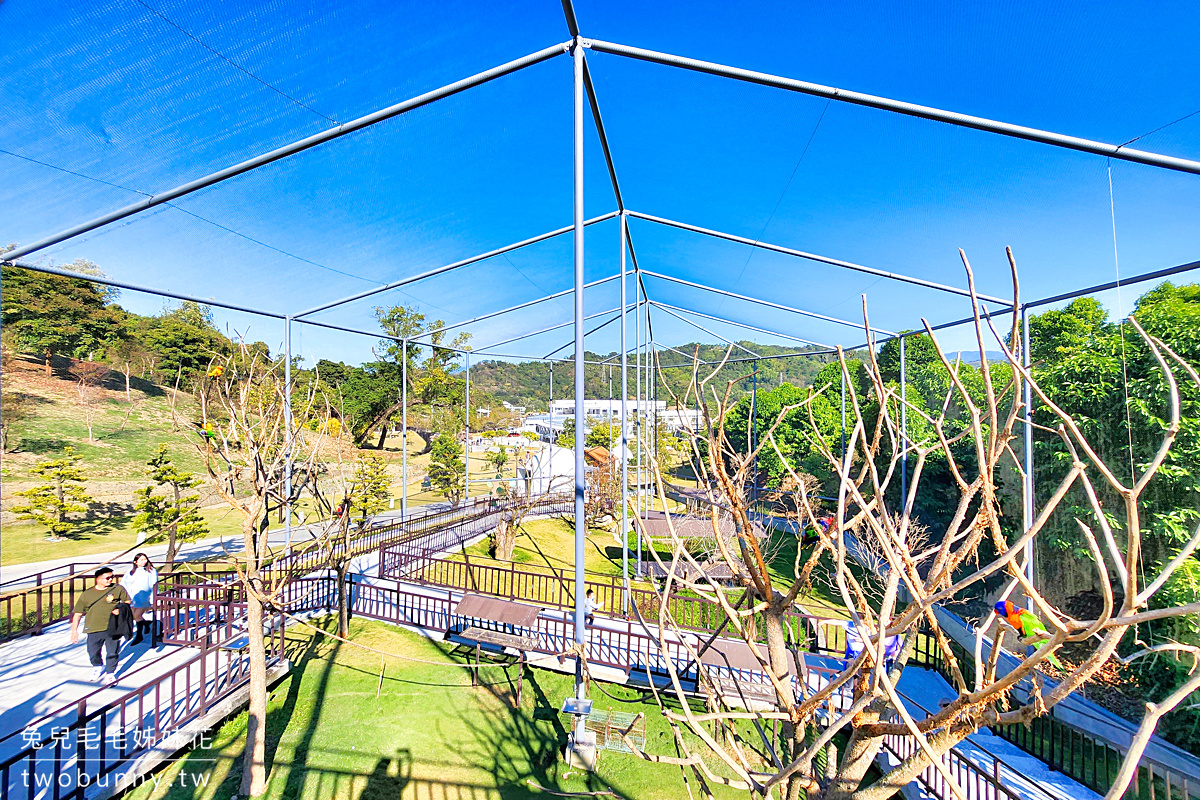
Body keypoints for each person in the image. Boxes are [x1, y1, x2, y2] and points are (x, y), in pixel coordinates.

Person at [70, 567, 131, 683]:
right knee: (92, 652)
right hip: (93, 627)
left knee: (112, 652)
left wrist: (120, 608)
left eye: (112, 577)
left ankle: (110, 673)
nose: (110, 580)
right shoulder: (87, 594)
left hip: (113, 627)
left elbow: (127, 601)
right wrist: (74, 631)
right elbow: (77, 614)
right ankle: (98, 666)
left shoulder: (118, 589)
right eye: (107, 578)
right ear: (98, 579)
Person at [125, 553, 158, 647]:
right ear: (135, 562)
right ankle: (146, 623)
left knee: (137, 615)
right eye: (141, 560)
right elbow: (125, 583)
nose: (143, 561)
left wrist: (153, 598)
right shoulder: (131, 571)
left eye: (145, 559)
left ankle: (139, 635)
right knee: (134, 616)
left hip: (144, 597)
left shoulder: (151, 571)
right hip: (133, 597)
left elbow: (154, 584)